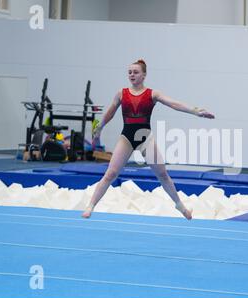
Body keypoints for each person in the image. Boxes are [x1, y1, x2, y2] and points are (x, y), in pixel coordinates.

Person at [82, 59, 215, 219]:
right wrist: (100, 126)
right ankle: (91, 206)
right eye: (130, 72)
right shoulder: (121, 93)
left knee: (162, 174)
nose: (132, 75)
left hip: (145, 138)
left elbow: (174, 104)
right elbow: (110, 112)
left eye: (136, 72)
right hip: (127, 137)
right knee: (111, 173)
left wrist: (195, 111)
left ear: (144, 75)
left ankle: (180, 206)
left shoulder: (152, 94)